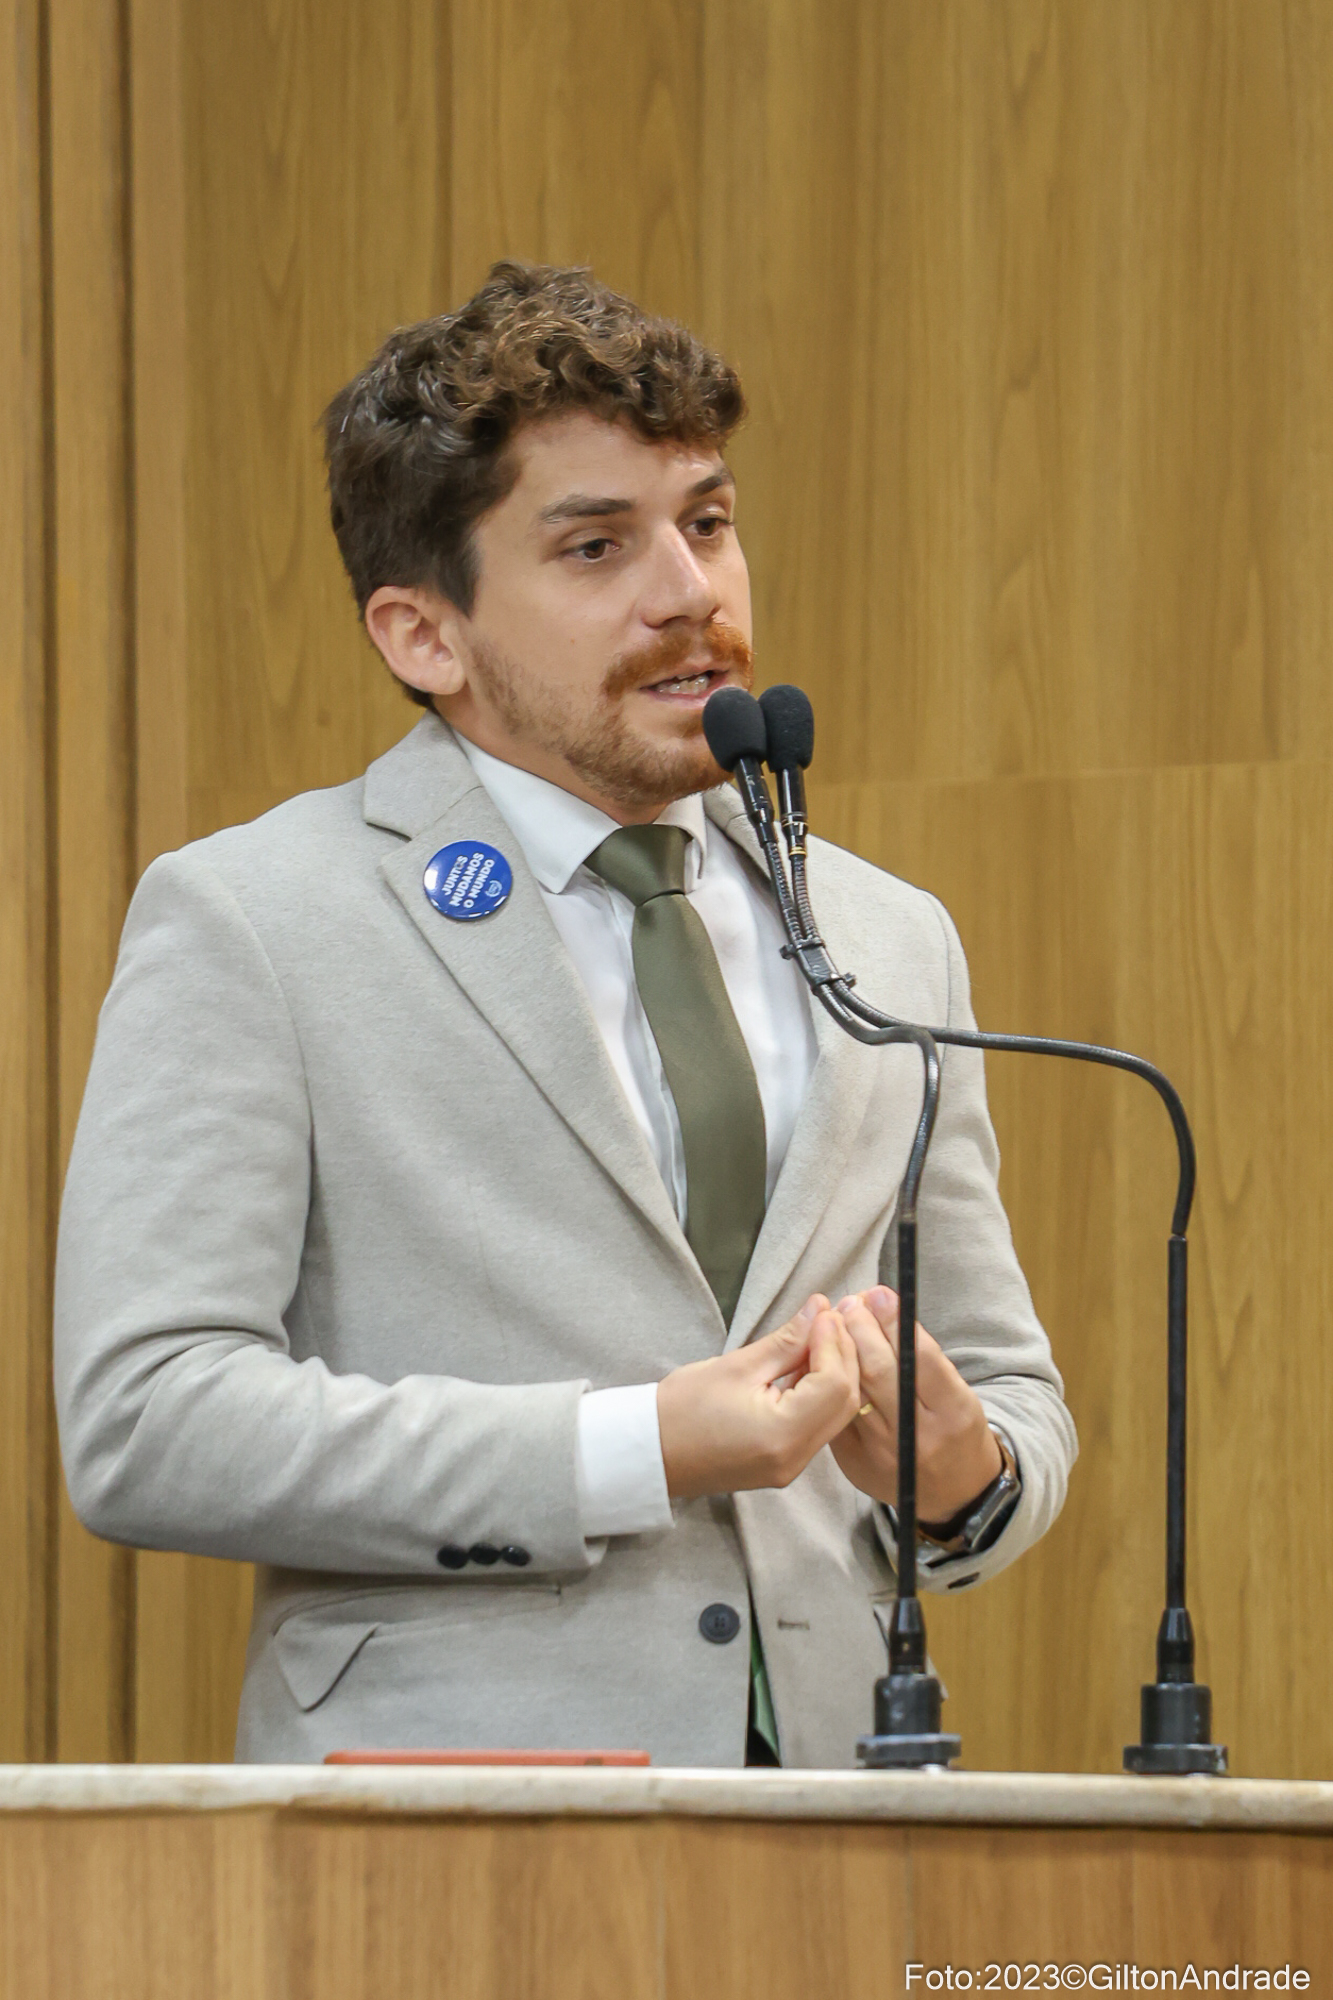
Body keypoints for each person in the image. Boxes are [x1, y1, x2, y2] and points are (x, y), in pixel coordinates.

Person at [54, 262, 1076, 1767]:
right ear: (424, 636)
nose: (691, 592)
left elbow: (1006, 1393)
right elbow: (148, 1420)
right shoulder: (256, 919)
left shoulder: (885, 936)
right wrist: (631, 1446)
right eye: (597, 546)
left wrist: (963, 1478)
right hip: (448, 1815)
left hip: (848, 1803)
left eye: (707, 523)